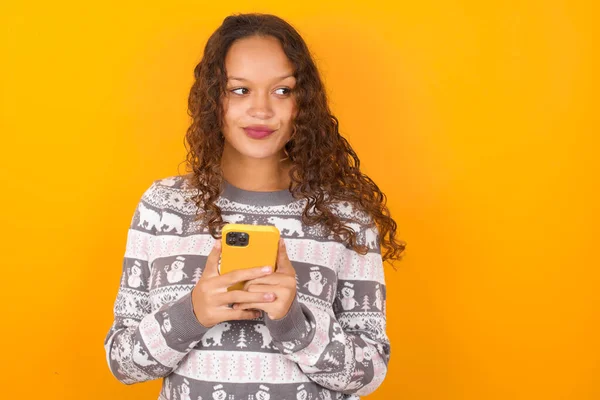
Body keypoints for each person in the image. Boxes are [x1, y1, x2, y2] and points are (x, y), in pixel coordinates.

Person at [104, 12, 406, 400]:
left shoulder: (345, 218)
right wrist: (192, 313)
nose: (261, 110)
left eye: (282, 91)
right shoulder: (163, 207)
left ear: (303, 103)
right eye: (240, 90)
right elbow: (122, 362)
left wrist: (295, 325)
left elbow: (370, 373)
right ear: (214, 99)